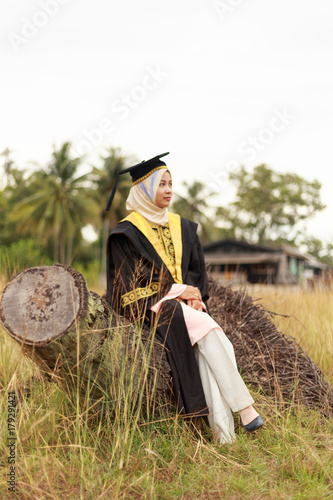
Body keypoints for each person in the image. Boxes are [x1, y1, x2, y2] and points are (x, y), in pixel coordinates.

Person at [106, 153, 264, 444]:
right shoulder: (125, 234)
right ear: (142, 190)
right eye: (161, 184)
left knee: (212, 345)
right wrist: (176, 292)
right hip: (149, 307)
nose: (168, 190)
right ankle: (245, 408)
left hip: (185, 307)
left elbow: (195, 274)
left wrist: (194, 297)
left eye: (170, 183)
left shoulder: (185, 228)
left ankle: (225, 435)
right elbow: (126, 286)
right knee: (212, 334)